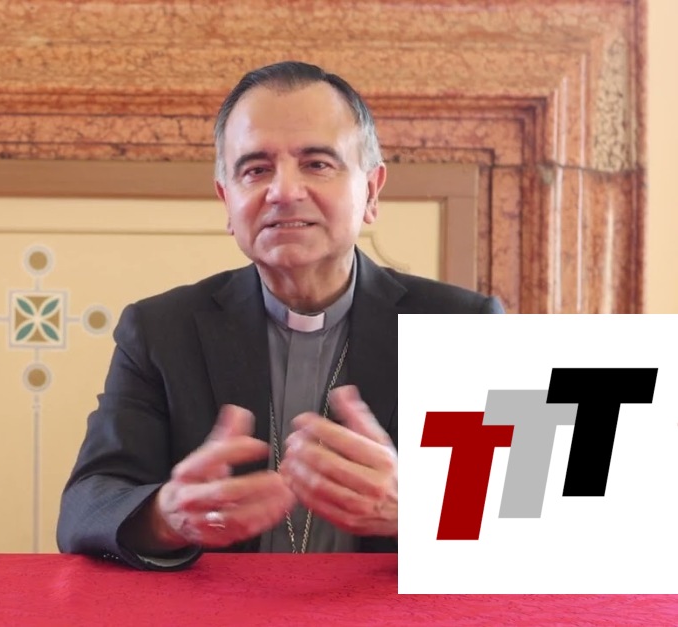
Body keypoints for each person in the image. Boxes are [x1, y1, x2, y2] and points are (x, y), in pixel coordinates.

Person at [56, 60, 504, 570]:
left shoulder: (462, 327)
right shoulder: (160, 331)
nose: (284, 191)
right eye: (256, 170)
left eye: (317, 164)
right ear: (227, 201)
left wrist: (419, 510)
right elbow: (86, 504)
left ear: (372, 191)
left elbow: (529, 528)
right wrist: (166, 515)